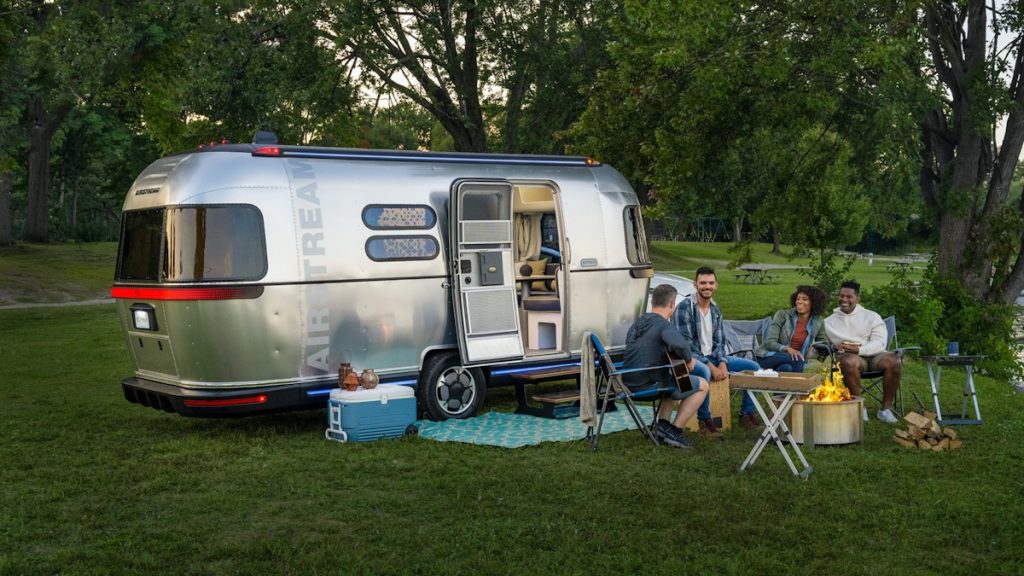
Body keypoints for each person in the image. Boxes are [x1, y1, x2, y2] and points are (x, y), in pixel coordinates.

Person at [672, 267, 762, 434]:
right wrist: (711, 367)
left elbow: (719, 342)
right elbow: (686, 346)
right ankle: (704, 421)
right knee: (705, 372)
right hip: (691, 360)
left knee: (754, 368)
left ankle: (746, 414)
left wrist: (722, 362)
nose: (707, 286)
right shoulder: (684, 308)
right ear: (695, 284)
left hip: (713, 358)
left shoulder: (715, 310)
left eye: (711, 283)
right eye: (703, 283)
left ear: (716, 285)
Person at [623, 284, 709, 449]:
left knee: (676, 378)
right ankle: (675, 431)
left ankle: (662, 425)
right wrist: (689, 361)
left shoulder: (638, 323)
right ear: (672, 304)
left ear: (653, 302)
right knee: (702, 385)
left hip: (628, 383)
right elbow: (682, 345)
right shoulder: (664, 325)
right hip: (648, 386)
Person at [824, 280, 901, 423]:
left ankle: (885, 409)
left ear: (857, 298)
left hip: (874, 354)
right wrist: (833, 347)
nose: (844, 300)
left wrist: (859, 349)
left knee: (894, 360)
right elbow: (822, 343)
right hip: (849, 357)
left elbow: (880, 342)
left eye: (848, 297)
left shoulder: (872, 316)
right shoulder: (829, 322)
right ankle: (859, 406)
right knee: (849, 362)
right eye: (841, 296)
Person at [756, 285, 828, 373]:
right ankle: (800, 385)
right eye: (798, 299)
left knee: (786, 368)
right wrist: (787, 349)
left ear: (814, 303)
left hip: (792, 360)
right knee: (797, 359)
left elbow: (823, 343)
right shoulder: (782, 316)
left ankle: (779, 385)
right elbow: (770, 343)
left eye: (804, 299)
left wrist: (833, 346)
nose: (799, 302)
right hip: (768, 356)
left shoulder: (817, 322)